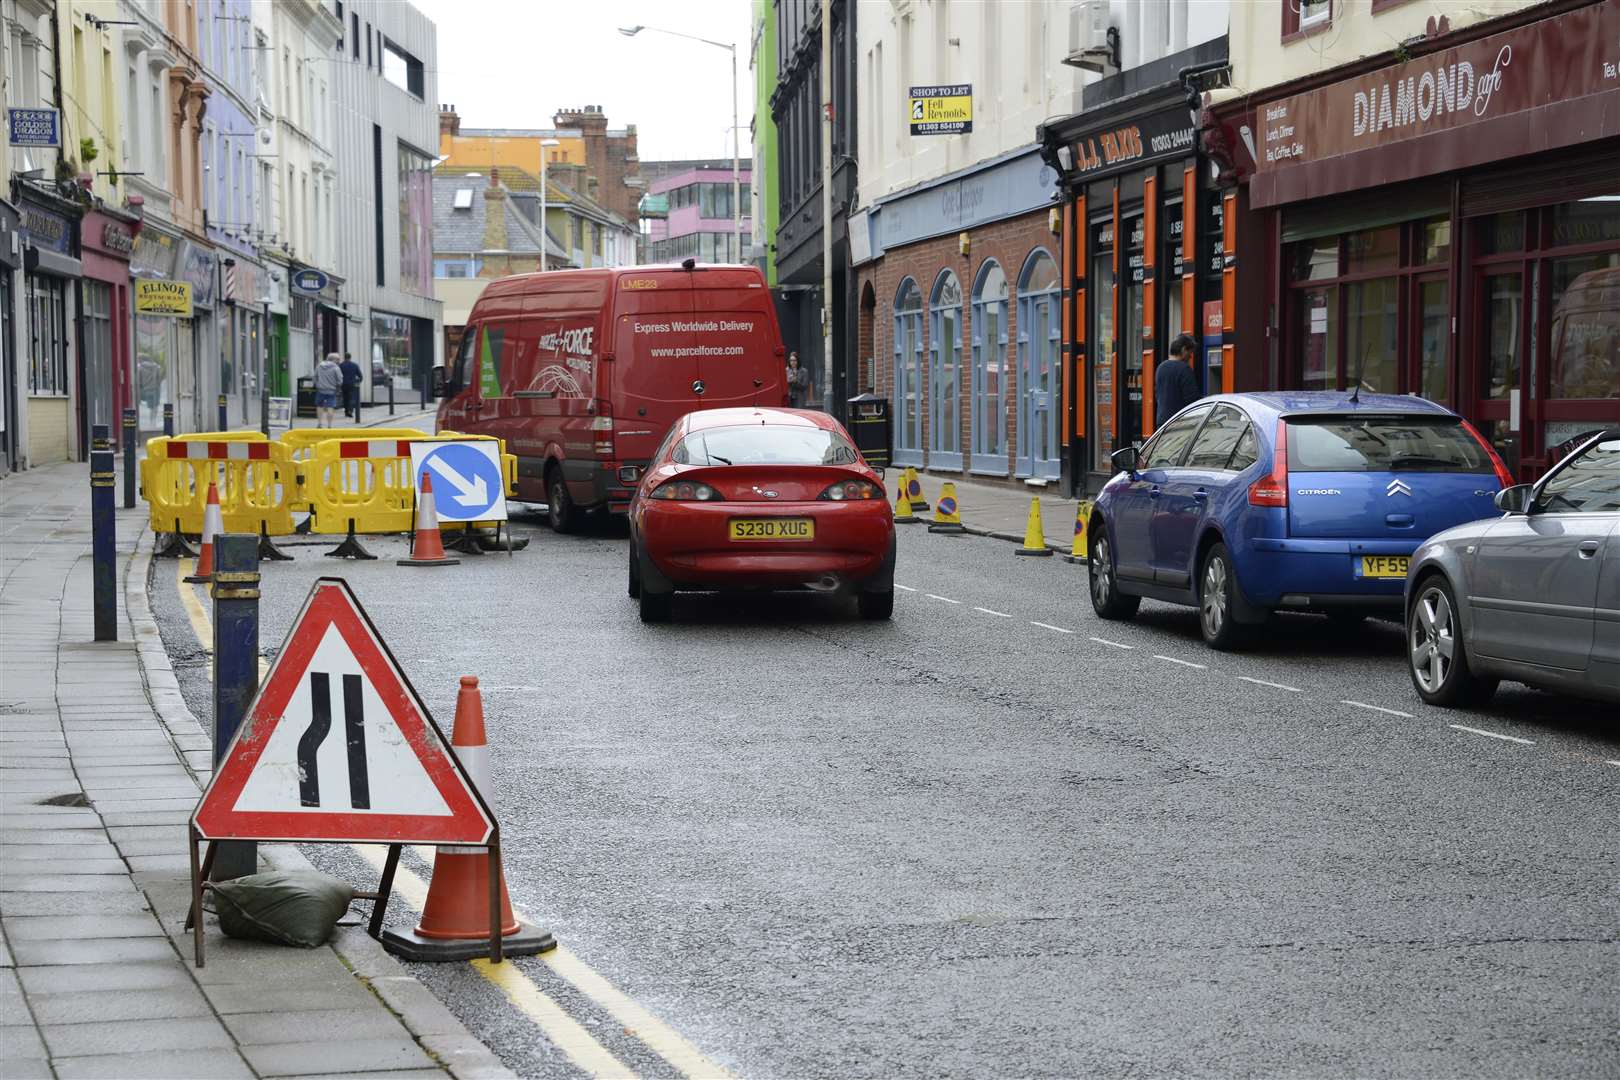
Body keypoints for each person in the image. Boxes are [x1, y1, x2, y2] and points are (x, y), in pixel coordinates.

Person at [1155, 334, 1202, 426]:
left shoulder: (1161, 368)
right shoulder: (1184, 369)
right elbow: (1192, 399)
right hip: (1180, 424)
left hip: (1162, 422)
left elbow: (1157, 395)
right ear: (1184, 349)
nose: (1190, 357)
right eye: (1190, 352)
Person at [314, 352, 344, 428]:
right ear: (332, 359)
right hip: (332, 391)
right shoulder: (336, 368)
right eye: (337, 359)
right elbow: (340, 380)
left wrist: (317, 385)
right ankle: (329, 425)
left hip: (320, 390)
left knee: (319, 406)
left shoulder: (319, 366)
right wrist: (337, 387)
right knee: (330, 407)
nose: (338, 361)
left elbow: (315, 377)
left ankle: (319, 423)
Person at [340, 351, 363, 421]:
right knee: (351, 398)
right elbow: (360, 376)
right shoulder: (355, 365)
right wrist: (358, 382)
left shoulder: (341, 365)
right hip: (352, 384)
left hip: (343, 384)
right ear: (350, 357)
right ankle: (350, 410)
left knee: (345, 398)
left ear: (344, 357)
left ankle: (346, 411)